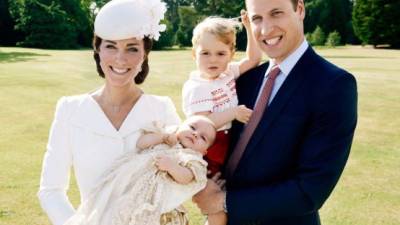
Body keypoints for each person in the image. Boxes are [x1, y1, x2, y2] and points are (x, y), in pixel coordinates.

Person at [193, 0, 358, 225]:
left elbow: (309, 190)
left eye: (276, 13)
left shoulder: (334, 85)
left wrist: (223, 202)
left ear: (299, 9)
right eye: (257, 19)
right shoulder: (245, 79)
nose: (266, 29)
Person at [37, 1, 182, 225]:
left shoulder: (161, 108)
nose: (120, 59)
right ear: (98, 50)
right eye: (110, 46)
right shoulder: (70, 110)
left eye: (132, 48)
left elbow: (182, 176)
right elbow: (51, 189)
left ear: (144, 54)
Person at [63, 116, 217, 225]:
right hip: (129, 184)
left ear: (204, 152)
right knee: (112, 210)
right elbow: (141, 143)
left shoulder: (192, 158)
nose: (195, 134)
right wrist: (162, 137)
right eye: (192, 127)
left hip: (155, 198)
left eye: (203, 138)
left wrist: (172, 167)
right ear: (180, 126)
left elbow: (187, 177)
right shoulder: (166, 136)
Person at [182, 13, 262, 178]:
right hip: (209, 145)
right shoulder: (197, 87)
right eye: (205, 53)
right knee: (216, 182)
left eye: (220, 54)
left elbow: (253, 59)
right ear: (193, 54)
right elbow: (203, 124)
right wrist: (233, 113)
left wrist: (249, 28)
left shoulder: (227, 72)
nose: (213, 60)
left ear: (231, 55)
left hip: (229, 138)